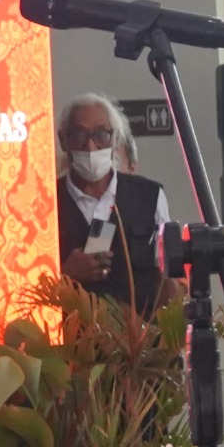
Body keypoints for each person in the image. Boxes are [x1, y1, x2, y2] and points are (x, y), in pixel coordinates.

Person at [55, 94, 170, 310]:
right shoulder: (47, 202)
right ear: (64, 140)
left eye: (100, 135)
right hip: (70, 341)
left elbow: (166, 276)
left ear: (114, 138)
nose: (90, 147)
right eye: (79, 135)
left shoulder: (150, 196)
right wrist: (64, 275)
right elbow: (25, 290)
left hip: (139, 340)